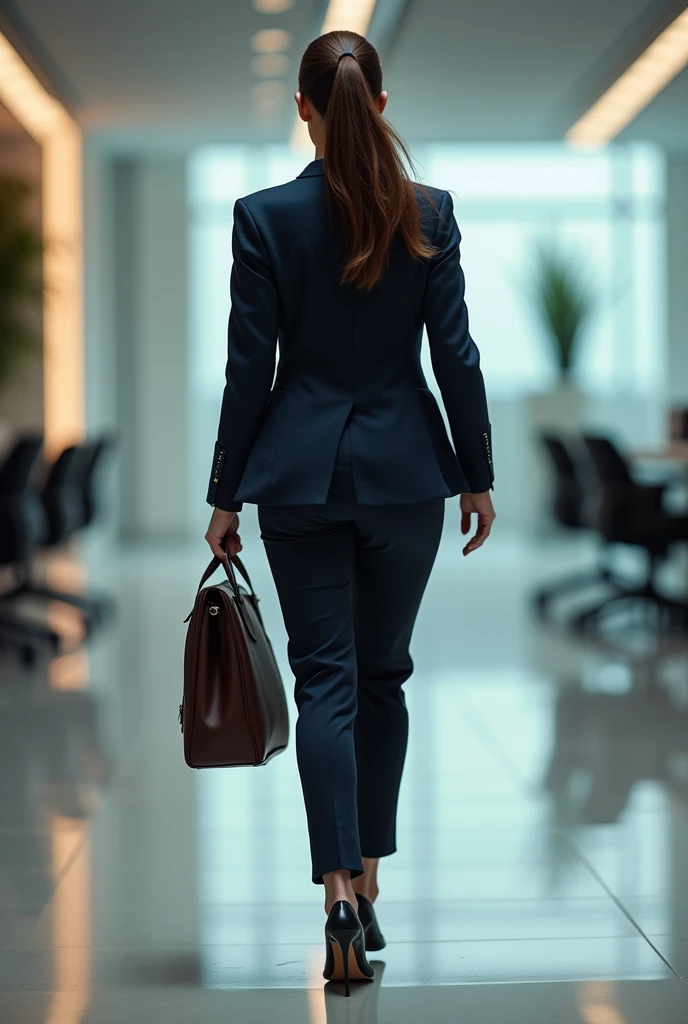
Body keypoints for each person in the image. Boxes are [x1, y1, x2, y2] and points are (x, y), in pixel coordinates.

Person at [204, 29, 496, 996]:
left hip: (295, 480)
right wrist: (478, 473)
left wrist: (224, 493)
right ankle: (371, 883)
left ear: (304, 108)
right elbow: (455, 355)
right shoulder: (430, 213)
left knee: (323, 682)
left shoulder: (264, 217)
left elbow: (252, 371)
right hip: (408, 475)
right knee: (383, 679)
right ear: (377, 103)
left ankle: (333, 895)